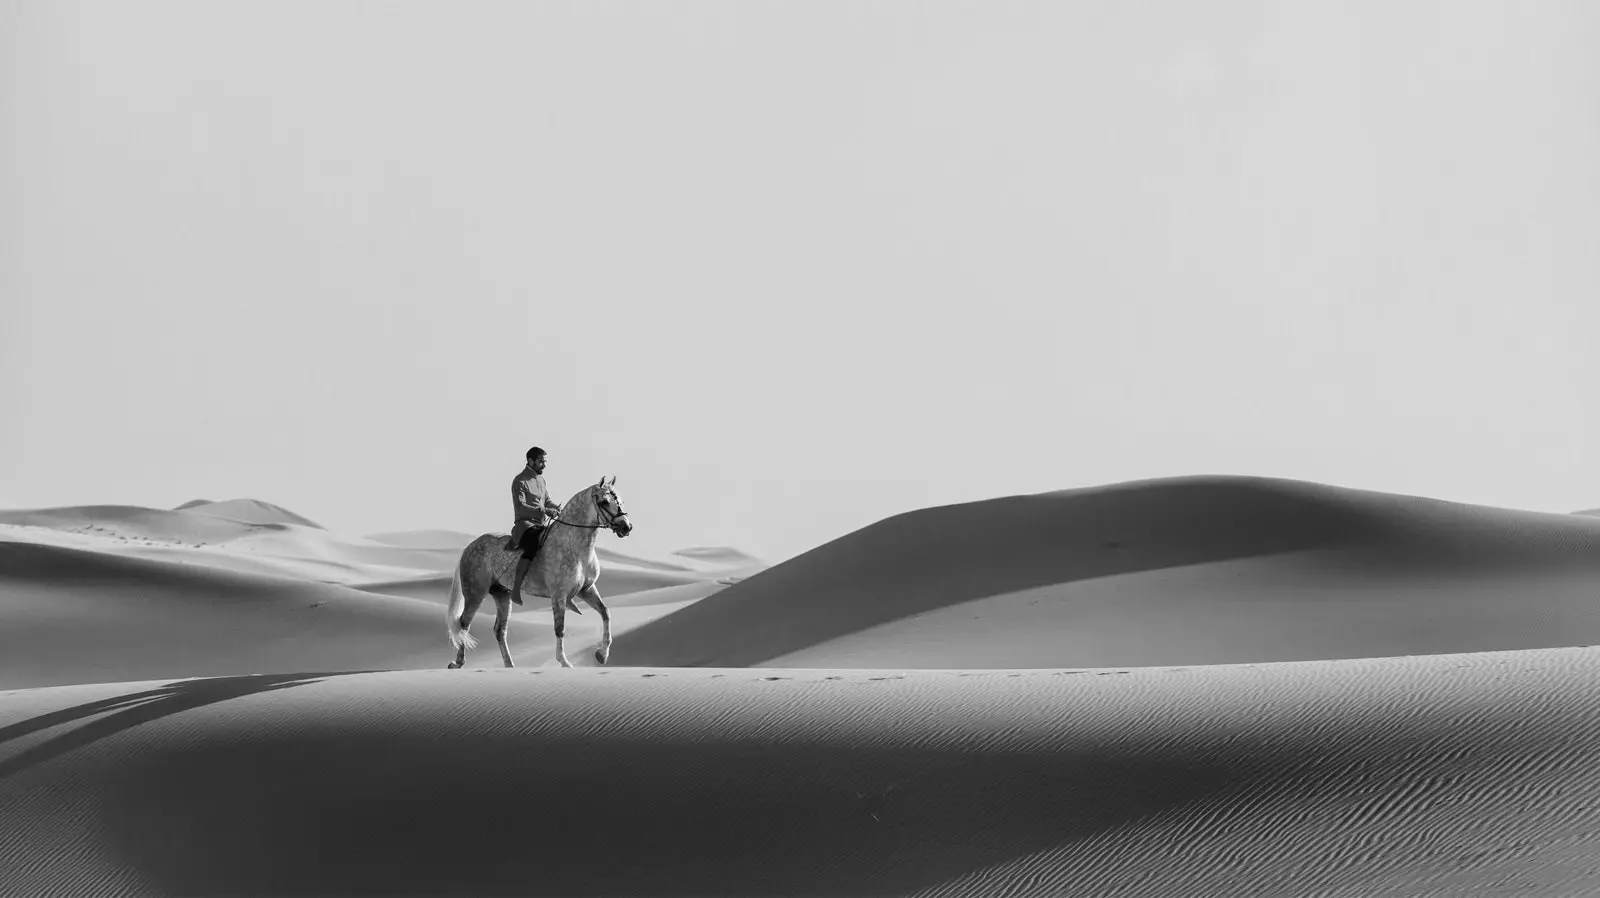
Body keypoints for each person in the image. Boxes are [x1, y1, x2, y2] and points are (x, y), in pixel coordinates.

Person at [510, 446, 563, 605]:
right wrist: (544, 510)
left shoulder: (541, 480)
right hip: (525, 526)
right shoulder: (520, 481)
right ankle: (516, 588)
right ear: (530, 461)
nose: (544, 465)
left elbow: (547, 501)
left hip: (540, 525)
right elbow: (521, 506)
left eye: (544, 462)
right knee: (533, 544)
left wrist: (557, 508)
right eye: (541, 462)